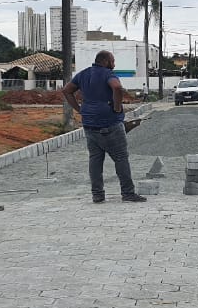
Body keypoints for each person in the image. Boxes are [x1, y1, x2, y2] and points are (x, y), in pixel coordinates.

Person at [63, 51, 147, 204]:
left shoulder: (83, 74)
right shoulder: (108, 74)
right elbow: (116, 87)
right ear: (106, 61)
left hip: (89, 125)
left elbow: (66, 91)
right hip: (110, 124)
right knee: (121, 158)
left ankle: (97, 195)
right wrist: (116, 107)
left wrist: (79, 109)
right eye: (113, 61)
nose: (114, 65)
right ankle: (128, 193)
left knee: (95, 160)